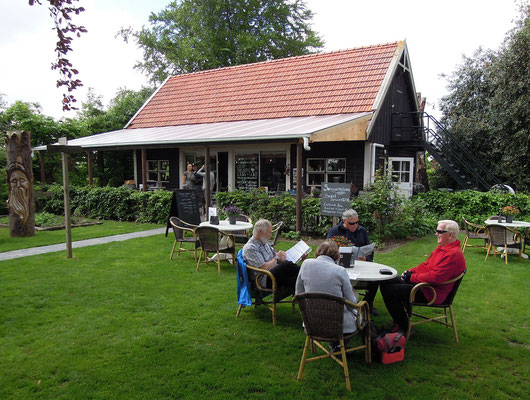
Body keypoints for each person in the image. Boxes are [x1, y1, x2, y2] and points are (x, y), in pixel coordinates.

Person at [380, 220, 466, 334]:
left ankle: (404, 327)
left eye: (439, 231)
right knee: (386, 281)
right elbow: (426, 266)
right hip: (426, 286)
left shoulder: (452, 254)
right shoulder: (442, 248)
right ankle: (399, 320)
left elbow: (435, 277)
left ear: (450, 235)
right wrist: (410, 272)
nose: (436, 234)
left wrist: (411, 277)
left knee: (390, 291)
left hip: (432, 293)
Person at [296, 240, 360, 338]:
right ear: (336, 256)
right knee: (359, 305)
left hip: (311, 322)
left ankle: (335, 346)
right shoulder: (340, 271)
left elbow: (298, 293)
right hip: (340, 326)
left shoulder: (306, 264)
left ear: (318, 252)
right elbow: (352, 304)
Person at [327, 209, 379, 315]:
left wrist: (366, 258)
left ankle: (368, 304)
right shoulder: (335, 231)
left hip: (360, 263)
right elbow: (328, 250)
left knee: (375, 279)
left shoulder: (362, 231)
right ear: (344, 221)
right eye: (352, 223)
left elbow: (369, 250)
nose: (355, 225)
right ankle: (347, 302)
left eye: (356, 222)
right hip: (341, 264)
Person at [242, 219, 302, 292]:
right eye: (269, 232)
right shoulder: (250, 248)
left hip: (273, 273)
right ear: (260, 232)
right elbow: (263, 267)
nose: (270, 235)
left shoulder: (264, 243)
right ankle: (307, 272)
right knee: (287, 265)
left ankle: (309, 294)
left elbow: (275, 257)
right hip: (264, 279)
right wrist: (277, 258)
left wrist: (297, 257)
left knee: (296, 280)